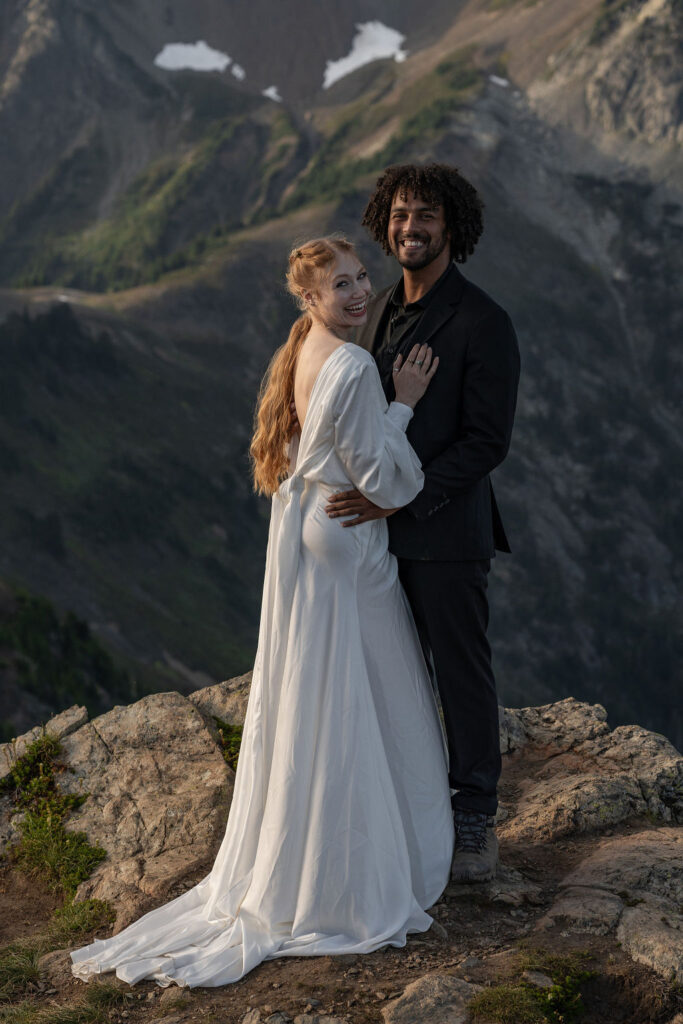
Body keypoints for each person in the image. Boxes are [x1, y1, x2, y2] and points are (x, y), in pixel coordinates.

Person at [69, 236, 454, 989]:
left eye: (360, 278)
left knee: (320, 694)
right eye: (338, 285)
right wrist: (404, 404)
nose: (356, 293)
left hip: (309, 530)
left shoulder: (308, 351)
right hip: (347, 538)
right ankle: (354, 873)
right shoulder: (350, 364)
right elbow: (385, 474)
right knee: (365, 697)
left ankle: (305, 854)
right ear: (307, 299)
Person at [325, 164, 521, 883]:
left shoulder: (483, 321)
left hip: (443, 536)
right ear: (385, 222)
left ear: (453, 228)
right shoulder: (371, 309)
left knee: (461, 677)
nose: (412, 227)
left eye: (427, 216)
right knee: (390, 677)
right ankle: (405, 814)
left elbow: (485, 440)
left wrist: (401, 498)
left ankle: (474, 819)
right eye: (402, 215)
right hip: (372, 540)